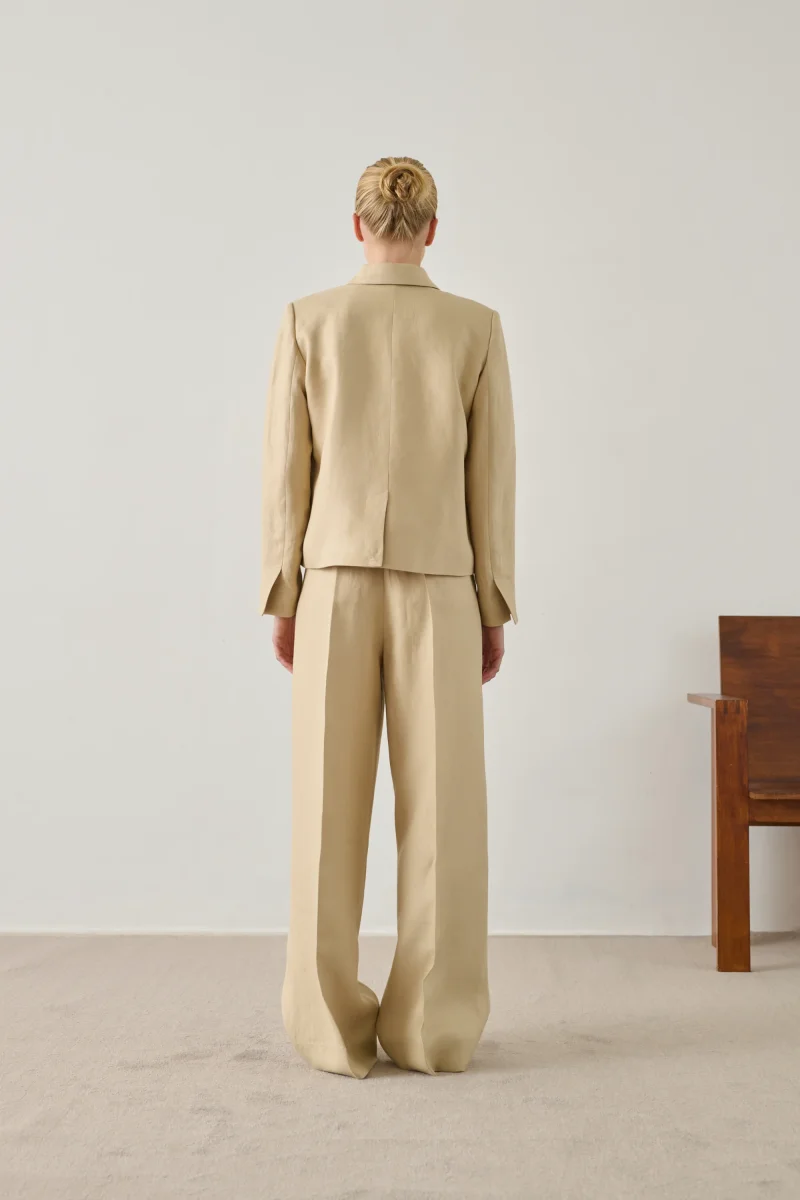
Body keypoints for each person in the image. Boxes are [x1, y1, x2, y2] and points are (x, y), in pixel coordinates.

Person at [260, 156, 517, 1078]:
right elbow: (490, 477)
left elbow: (286, 470)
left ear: (357, 224)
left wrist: (283, 593)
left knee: (325, 810)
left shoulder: (309, 319)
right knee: (443, 814)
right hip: (442, 584)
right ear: (433, 229)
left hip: (332, 582)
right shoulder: (475, 327)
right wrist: (493, 603)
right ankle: (430, 1028)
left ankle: (329, 1029)